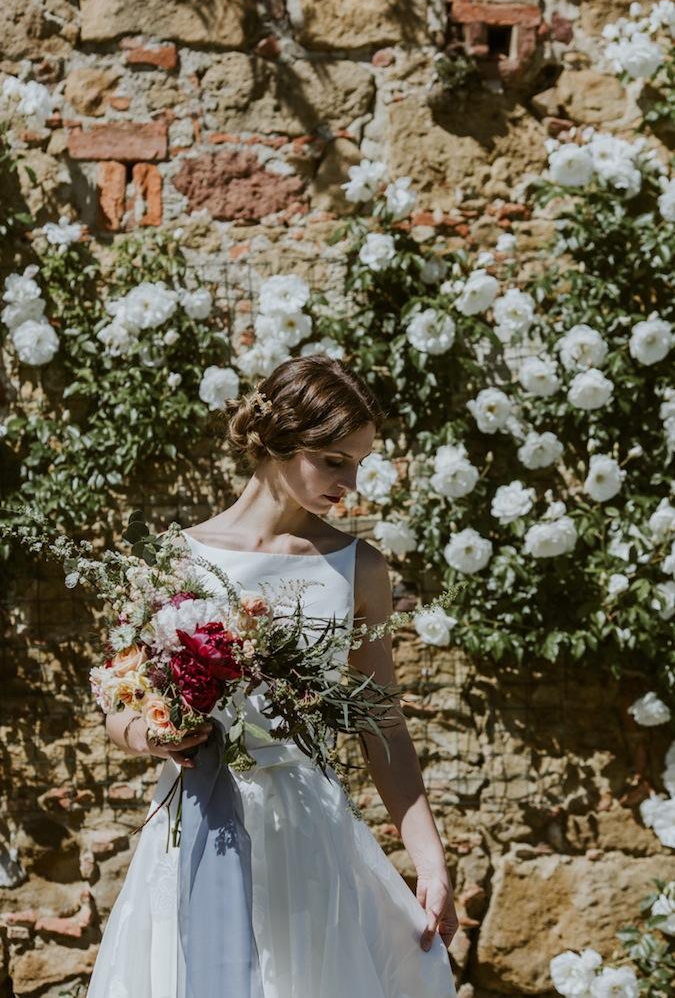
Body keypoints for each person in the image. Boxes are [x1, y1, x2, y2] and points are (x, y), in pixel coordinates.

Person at [87, 353, 458, 997]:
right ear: (278, 441)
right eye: (333, 460)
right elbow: (121, 705)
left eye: (359, 462)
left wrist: (427, 855)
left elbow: (384, 724)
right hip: (194, 819)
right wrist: (153, 736)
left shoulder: (357, 567)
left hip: (305, 828)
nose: (350, 482)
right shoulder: (176, 560)